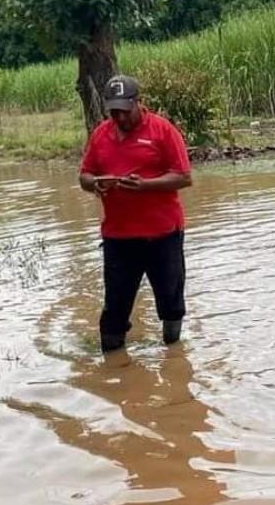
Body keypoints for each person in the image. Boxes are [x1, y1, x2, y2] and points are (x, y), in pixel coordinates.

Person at [78, 75, 193, 353]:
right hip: (118, 237)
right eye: (113, 112)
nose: (119, 118)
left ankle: (174, 353)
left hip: (162, 234)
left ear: (138, 103)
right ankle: (114, 362)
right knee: (115, 307)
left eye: (124, 111)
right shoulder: (101, 134)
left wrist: (145, 186)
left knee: (170, 301)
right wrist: (95, 184)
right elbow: (84, 175)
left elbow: (183, 177)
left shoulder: (163, 131)